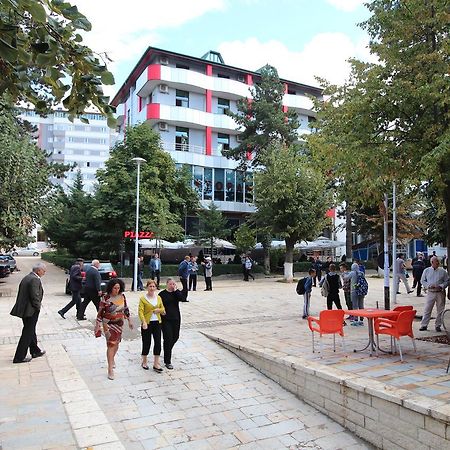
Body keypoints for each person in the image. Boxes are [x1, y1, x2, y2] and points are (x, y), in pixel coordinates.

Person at [94, 278, 133, 380]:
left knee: (117, 343)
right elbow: (100, 312)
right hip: (108, 324)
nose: (116, 290)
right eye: (115, 288)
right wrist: (97, 324)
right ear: (111, 288)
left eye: (118, 288)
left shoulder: (122, 296)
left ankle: (112, 359)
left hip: (119, 324)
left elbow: (126, 309)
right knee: (111, 344)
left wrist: (129, 320)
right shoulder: (105, 298)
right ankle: (110, 368)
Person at [10, 262, 47, 363]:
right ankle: (19, 357)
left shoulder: (28, 277)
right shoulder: (34, 279)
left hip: (25, 309)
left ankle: (35, 351)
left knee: (30, 330)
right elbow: (35, 296)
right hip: (30, 310)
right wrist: (38, 307)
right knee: (27, 333)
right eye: (44, 271)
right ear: (38, 270)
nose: (44, 272)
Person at [159, 278, 188, 369]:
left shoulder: (176, 293)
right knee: (168, 338)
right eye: (170, 284)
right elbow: (158, 305)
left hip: (176, 318)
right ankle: (168, 361)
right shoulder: (162, 294)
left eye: (173, 284)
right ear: (167, 284)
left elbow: (183, 298)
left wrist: (176, 291)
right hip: (166, 319)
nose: (172, 285)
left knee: (175, 337)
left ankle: (167, 350)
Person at [138, 280, 165, 373]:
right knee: (146, 342)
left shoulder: (158, 298)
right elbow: (140, 311)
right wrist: (144, 322)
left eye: (153, 286)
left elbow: (163, 309)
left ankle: (156, 363)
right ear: (147, 287)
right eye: (150, 286)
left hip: (157, 322)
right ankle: (144, 361)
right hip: (147, 323)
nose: (152, 288)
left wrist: (159, 310)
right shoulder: (143, 298)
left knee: (158, 342)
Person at [419, 256, 449, 332]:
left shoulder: (443, 271)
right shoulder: (427, 270)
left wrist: (441, 286)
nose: (438, 263)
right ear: (432, 262)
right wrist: (429, 285)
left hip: (440, 292)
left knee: (440, 310)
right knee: (427, 309)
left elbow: (447, 281)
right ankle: (424, 325)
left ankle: (438, 325)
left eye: (438, 261)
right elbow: (422, 280)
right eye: (437, 261)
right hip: (431, 292)